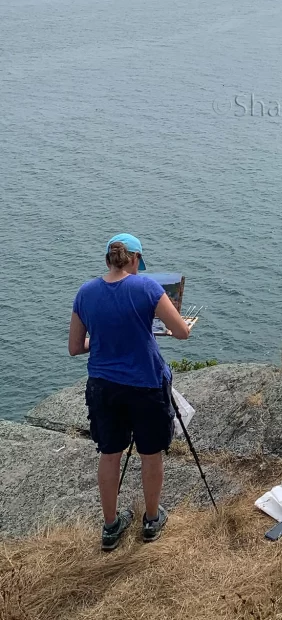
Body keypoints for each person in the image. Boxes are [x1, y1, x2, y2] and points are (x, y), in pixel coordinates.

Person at [68, 232, 190, 551]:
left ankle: (110, 527)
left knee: (109, 454)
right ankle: (151, 521)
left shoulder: (85, 292)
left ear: (108, 258)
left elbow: (74, 347)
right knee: (150, 455)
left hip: (103, 386)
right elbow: (181, 332)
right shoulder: (147, 287)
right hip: (146, 384)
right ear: (134, 259)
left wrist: (106, 339)